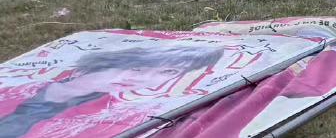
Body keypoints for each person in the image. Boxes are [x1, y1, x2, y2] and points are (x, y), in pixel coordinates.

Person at [0, 43, 225, 138]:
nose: (144, 78)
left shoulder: (115, 114)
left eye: (168, 72)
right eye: (137, 68)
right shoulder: (14, 88)